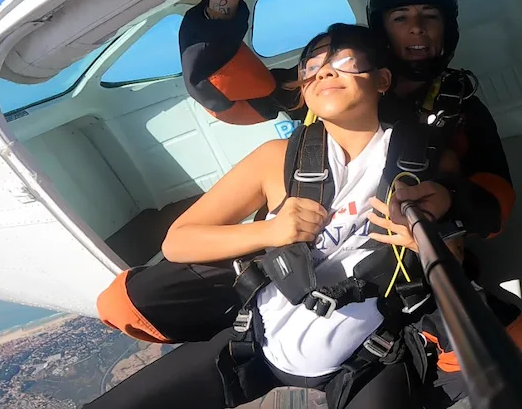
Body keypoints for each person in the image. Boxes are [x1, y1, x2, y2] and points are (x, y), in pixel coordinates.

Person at [85, 25, 472, 409]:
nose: (324, 71)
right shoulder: (277, 159)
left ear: (382, 79)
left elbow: (456, 261)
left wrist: (423, 243)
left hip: (367, 358)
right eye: (312, 66)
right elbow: (179, 240)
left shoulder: (423, 165)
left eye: (345, 61)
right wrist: (270, 231)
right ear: (304, 89)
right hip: (253, 340)